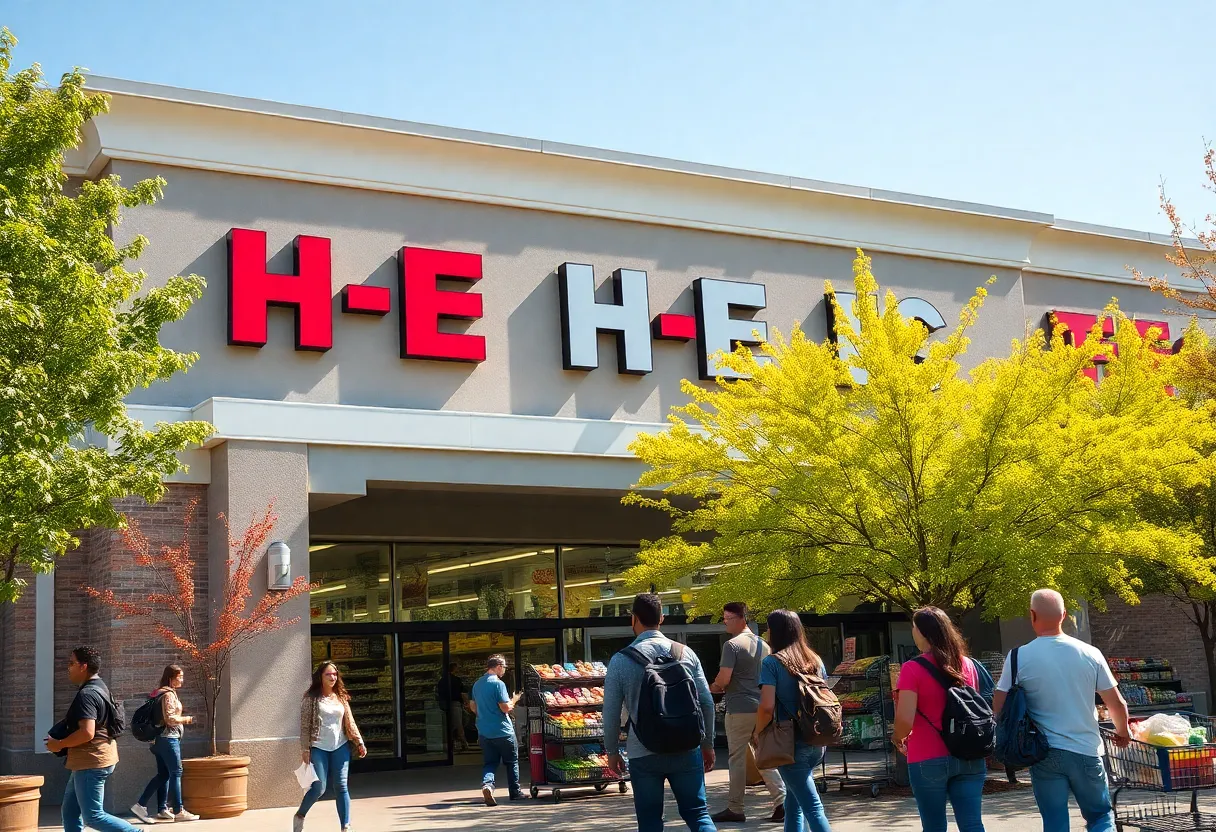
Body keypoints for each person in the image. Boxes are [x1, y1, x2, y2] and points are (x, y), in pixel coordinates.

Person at [993, 589, 1131, 832]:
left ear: (1032, 615)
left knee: (1055, 822)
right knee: (1100, 816)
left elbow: (999, 705)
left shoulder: (1018, 657)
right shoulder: (1090, 653)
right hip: (1086, 749)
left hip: (1044, 752)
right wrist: (1123, 732)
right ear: (1064, 615)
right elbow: (1117, 703)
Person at [603, 593, 717, 832]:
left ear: (633, 618)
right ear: (662, 618)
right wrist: (707, 744)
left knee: (650, 821)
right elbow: (706, 703)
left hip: (643, 751)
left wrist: (612, 751)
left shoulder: (620, 661)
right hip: (687, 747)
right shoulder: (686, 654)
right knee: (698, 814)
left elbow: (611, 712)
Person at [892, 607, 985, 832]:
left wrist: (897, 738)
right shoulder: (968, 664)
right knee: (972, 824)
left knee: (934, 826)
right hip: (969, 752)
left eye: (914, 627)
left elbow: (905, 718)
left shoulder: (912, 669)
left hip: (927, 756)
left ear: (922, 632)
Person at [45, 645, 142, 832]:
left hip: (91, 761)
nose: (68, 667)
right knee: (70, 812)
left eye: (71, 663)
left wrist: (59, 744)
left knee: (93, 816)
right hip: (91, 758)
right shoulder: (100, 687)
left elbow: (87, 732)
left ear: (83, 666)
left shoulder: (87, 694)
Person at [756, 610, 833, 832]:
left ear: (775, 632)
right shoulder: (815, 660)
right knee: (793, 804)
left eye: (768, 628)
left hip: (789, 744)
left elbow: (767, 706)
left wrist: (758, 733)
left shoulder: (771, 662)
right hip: (816, 740)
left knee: (812, 807)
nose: (766, 632)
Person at [709, 601, 785, 824]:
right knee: (764, 757)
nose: (725, 623)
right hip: (763, 708)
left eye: (728, 618)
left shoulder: (731, 645)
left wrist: (712, 687)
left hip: (740, 709)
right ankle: (782, 801)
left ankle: (735, 808)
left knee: (737, 759)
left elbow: (724, 679)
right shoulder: (765, 645)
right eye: (724, 619)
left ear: (742, 618)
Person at [295, 661, 367, 832]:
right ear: (320, 676)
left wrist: (359, 741)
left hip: (340, 746)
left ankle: (345, 826)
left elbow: (349, 721)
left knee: (341, 786)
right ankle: (300, 815)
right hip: (318, 747)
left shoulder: (340, 697)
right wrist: (305, 749)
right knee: (319, 788)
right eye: (328, 674)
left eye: (335, 674)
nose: (332, 677)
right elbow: (305, 726)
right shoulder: (311, 699)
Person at [130, 664, 199, 823]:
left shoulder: (159, 693)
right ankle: (178, 810)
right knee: (176, 772)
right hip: (168, 739)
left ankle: (161, 809)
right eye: (180, 677)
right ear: (171, 678)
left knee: (164, 774)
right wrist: (187, 719)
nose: (182, 680)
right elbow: (170, 719)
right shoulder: (168, 694)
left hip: (159, 740)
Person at [469, 654, 524, 805]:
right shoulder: (498, 684)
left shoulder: (477, 684)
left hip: (484, 731)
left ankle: (488, 785)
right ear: (499, 667)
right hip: (503, 731)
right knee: (511, 762)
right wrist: (514, 700)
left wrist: (484, 714)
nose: (505, 670)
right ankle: (515, 792)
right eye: (504, 667)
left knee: (490, 763)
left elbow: (472, 706)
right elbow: (505, 708)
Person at [438, 662, 470, 752]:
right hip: (455, 703)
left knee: (452, 724)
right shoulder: (455, 680)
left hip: (445, 704)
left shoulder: (442, 680)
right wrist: (467, 702)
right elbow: (462, 692)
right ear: (454, 669)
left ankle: (454, 741)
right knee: (459, 723)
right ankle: (462, 742)